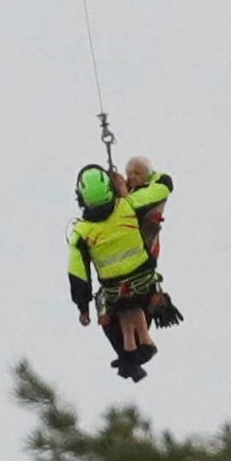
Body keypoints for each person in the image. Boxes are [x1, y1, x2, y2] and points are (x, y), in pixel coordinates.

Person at [65, 162, 171, 381]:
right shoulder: (127, 206)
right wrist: (153, 176)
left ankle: (128, 355)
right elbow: (163, 186)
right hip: (145, 282)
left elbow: (78, 275)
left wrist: (82, 308)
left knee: (110, 319)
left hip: (116, 292)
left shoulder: (81, 233)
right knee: (131, 309)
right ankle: (137, 350)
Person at [122, 156, 180, 330]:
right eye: (129, 174)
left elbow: (131, 204)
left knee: (134, 301)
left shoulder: (154, 191)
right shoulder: (132, 194)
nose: (132, 177)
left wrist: (119, 194)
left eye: (137, 173)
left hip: (144, 253)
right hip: (129, 254)